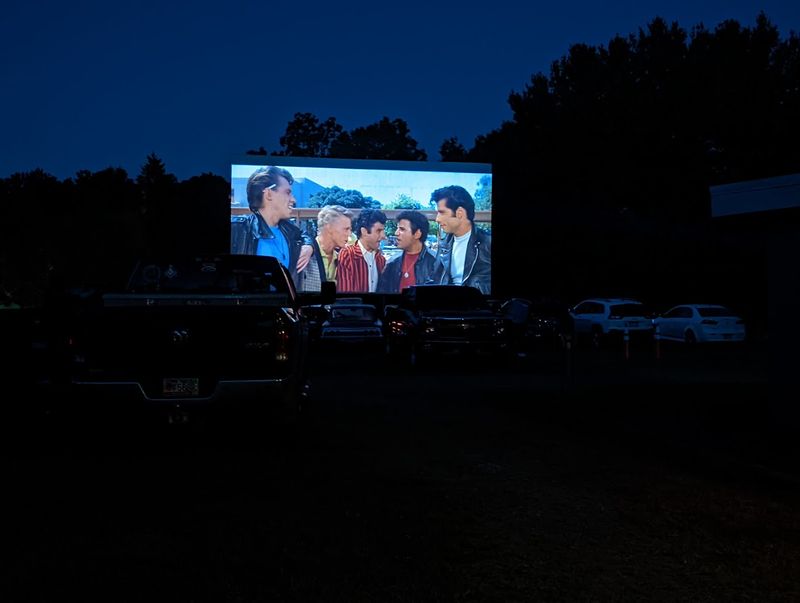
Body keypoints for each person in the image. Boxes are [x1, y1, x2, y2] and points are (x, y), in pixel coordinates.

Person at [230, 166, 314, 289]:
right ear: (269, 194)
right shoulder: (238, 229)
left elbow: (304, 235)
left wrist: (309, 246)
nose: (293, 200)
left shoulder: (291, 231)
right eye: (288, 192)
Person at [432, 185, 492, 295]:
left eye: (442, 212)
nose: (437, 219)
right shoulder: (444, 244)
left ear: (459, 213)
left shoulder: (487, 243)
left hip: (477, 308)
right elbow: (435, 280)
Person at [377, 210, 439, 294]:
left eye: (402, 229)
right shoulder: (392, 263)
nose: (396, 233)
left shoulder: (436, 263)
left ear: (417, 234)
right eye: (397, 228)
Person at [298, 205, 353, 292]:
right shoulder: (304, 253)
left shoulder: (342, 259)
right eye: (346, 229)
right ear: (329, 227)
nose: (349, 234)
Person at [336, 209, 388, 293]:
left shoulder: (381, 260)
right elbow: (346, 298)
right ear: (364, 231)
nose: (383, 236)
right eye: (378, 231)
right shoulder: (348, 255)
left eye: (383, 231)